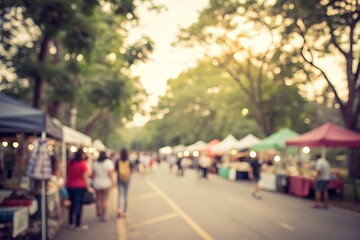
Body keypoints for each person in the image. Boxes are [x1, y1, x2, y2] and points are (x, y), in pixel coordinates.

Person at [66, 148, 93, 230]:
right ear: (82, 155)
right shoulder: (82, 164)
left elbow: (67, 173)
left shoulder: (70, 163)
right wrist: (88, 187)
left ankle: (71, 223)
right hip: (79, 187)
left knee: (72, 205)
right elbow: (85, 177)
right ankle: (78, 224)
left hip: (70, 186)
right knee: (78, 205)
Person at [92, 151, 115, 221]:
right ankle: (103, 215)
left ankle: (98, 211)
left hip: (97, 182)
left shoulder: (95, 163)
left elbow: (93, 174)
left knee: (98, 198)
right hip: (106, 183)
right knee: (105, 199)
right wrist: (113, 182)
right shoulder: (108, 163)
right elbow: (110, 174)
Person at [115, 148, 132, 218]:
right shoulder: (129, 161)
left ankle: (119, 210)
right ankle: (125, 211)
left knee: (120, 195)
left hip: (119, 179)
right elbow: (131, 170)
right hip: (127, 179)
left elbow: (115, 170)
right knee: (125, 195)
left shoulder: (118, 161)